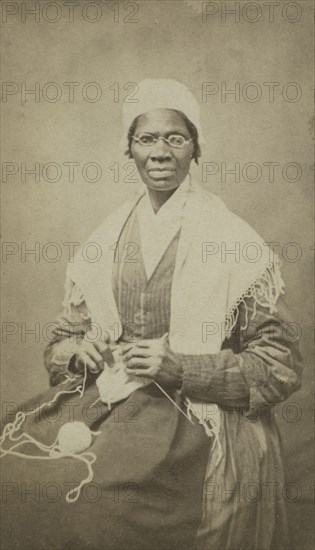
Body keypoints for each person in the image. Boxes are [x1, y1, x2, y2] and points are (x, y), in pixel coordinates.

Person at [1, 79, 302, 550]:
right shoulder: (106, 238)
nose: (160, 153)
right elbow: (62, 339)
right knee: (14, 476)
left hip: (190, 415)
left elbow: (279, 365)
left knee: (100, 509)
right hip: (113, 397)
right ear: (130, 151)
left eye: (175, 138)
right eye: (146, 139)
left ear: (195, 150)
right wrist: (77, 351)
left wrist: (182, 367)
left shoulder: (234, 241)